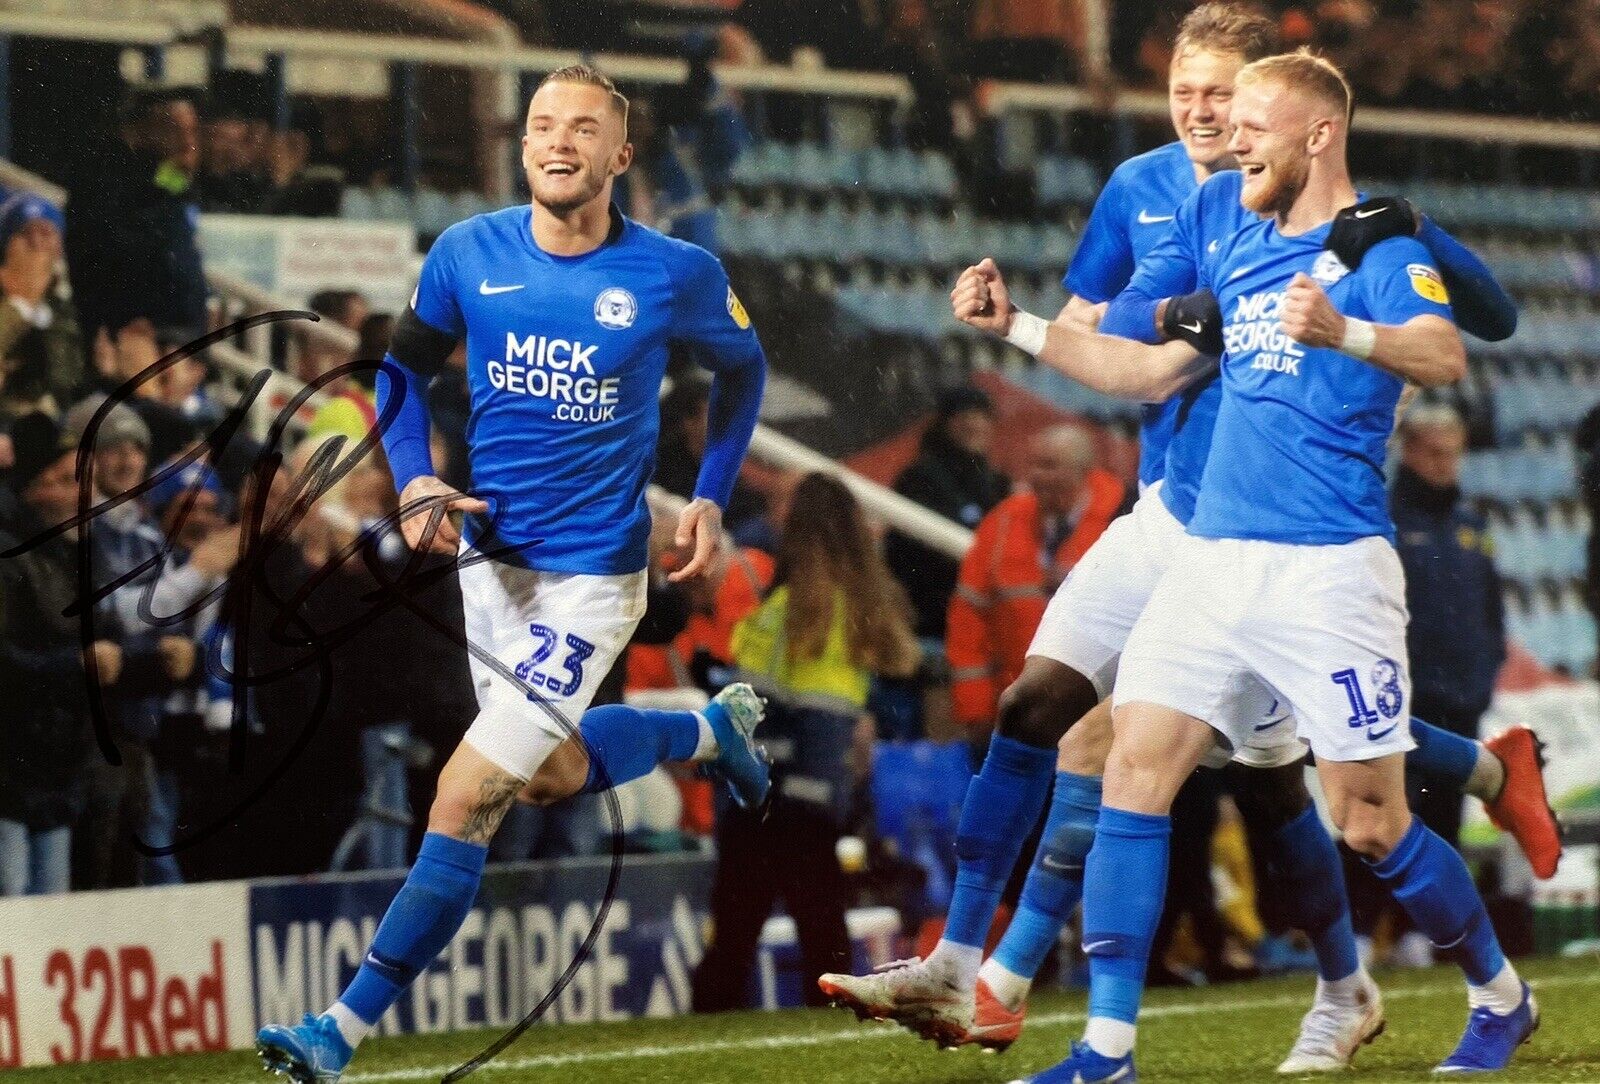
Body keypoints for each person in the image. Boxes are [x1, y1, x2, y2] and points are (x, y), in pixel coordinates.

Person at [819, 4, 1551, 1070]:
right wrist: (1017, 326)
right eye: (1200, 104)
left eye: (1243, 113)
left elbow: (1450, 347)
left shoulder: (1375, 247)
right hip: (1201, 549)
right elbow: (1145, 363)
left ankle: (1492, 989)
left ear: (1306, 129)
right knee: (1124, 766)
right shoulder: (1221, 223)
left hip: (1327, 568)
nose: (1218, 131)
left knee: (1362, 818)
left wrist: (1355, 302)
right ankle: (1096, 1041)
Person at [256, 64, 770, 1082]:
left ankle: (337, 1030)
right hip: (489, 570)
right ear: (522, 144)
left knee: (464, 794)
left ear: (621, 156)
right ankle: (705, 727)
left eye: (583, 127)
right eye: (542, 124)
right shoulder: (464, 253)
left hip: (590, 578)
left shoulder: (675, 272)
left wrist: (708, 490)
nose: (558, 141)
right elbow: (399, 374)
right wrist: (412, 481)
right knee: (546, 777)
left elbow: (743, 368)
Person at [692, 472, 921, 1011]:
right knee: (821, 922)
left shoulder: (788, 609)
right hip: (822, 788)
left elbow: (751, 698)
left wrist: (711, 675)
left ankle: (713, 1018)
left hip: (765, 783)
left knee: (736, 928)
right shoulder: (861, 605)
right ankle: (835, 1023)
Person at [1345, 403, 1511, 963]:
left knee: (1443, 817)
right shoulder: (1383, 518)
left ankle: (1424, 934)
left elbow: (1491, 610)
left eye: (1454, 453)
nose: (1446, 464)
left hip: (1459, 697)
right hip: (1398, 698)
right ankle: (1364, 931)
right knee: (1379, 808)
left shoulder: (1471, 524)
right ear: (1409, 450)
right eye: (1435, 452)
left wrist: (1484, 674)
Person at [946, 424, 1123, 734]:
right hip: (1018, 711)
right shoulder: (1004, 521)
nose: (1037, 476)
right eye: (1033, 464)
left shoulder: (1123, 519)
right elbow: (968, 619)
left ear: (1083, 470)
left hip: (1096, 717)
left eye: (1049, 465)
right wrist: (975, 708)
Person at [0, 413, 100, 895]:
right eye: (61, 481)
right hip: (11, 779)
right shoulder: (10, 559)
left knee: (50, 921)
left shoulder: (71, 558)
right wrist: (76, 665)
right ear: (31, 490)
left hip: (56, 775)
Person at [65, 87, 208, 346]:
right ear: (143, 129)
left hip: (178, 338)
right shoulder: (101, 182)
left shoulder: (175, 183)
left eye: (193, 131)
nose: (188, 142)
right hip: (130, 337)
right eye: (175, 129)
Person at [884, 384, 1012, 642]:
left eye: (982, 417)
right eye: (964, 417)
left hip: (984, 621)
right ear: (946, 423)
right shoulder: (919, 479)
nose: (974, 425)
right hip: (930, 619)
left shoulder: (999, 484)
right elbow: (905, 551)